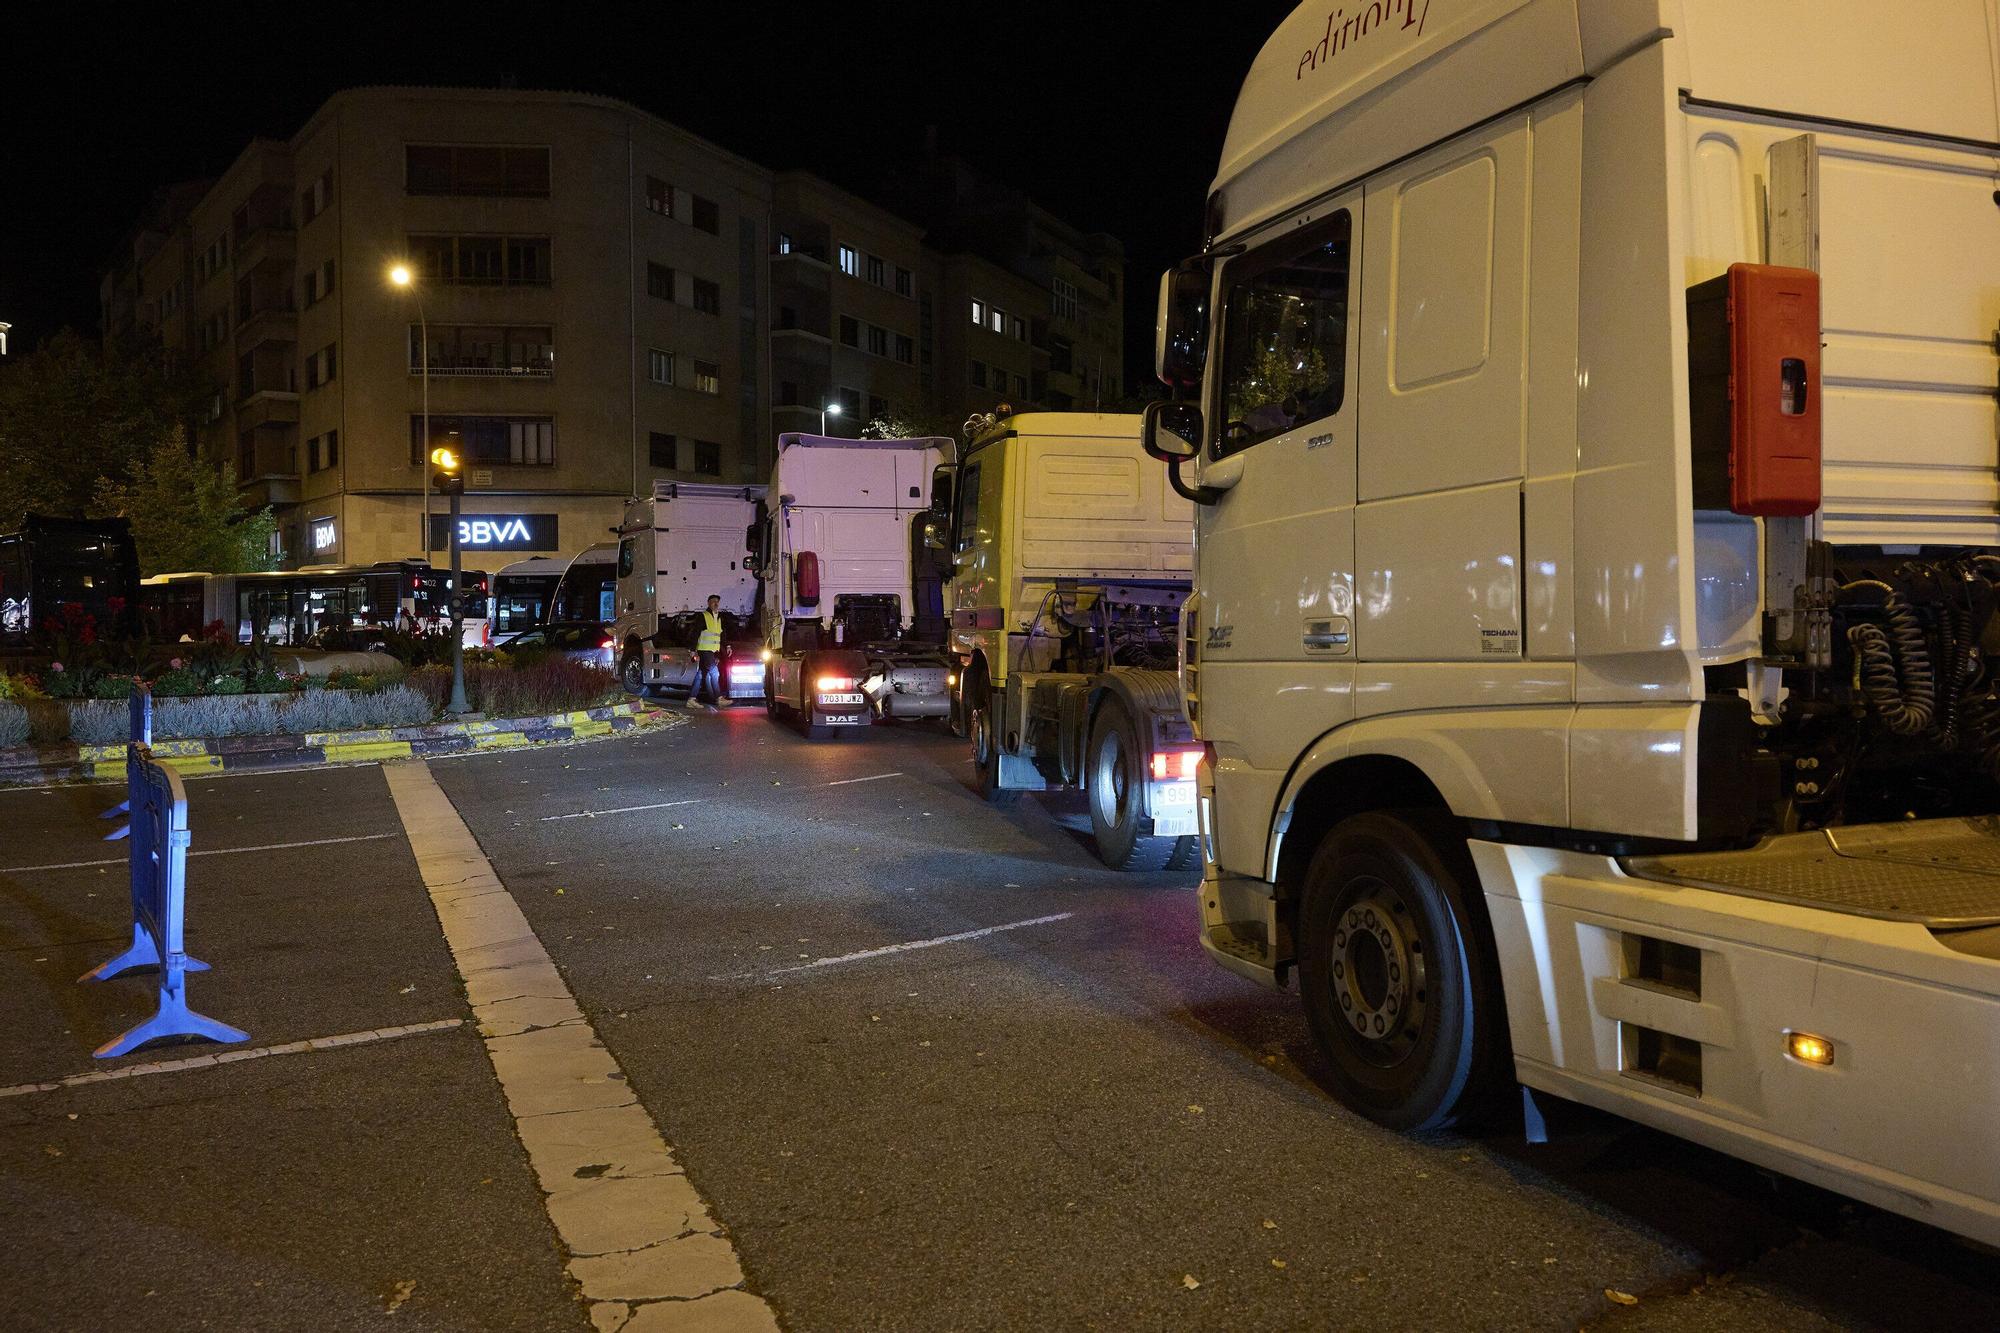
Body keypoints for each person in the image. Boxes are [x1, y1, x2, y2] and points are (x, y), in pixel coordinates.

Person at [692, 594, 724, 709]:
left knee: (700, 674)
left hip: (712, 651)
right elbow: (695, 633)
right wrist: (692, 650)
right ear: (708, 603)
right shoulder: (704, 616)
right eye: (713, 601)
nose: (716, 603)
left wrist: (727, 646)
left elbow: (720, 634)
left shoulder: (718, 617)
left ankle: (691, 699)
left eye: (717, 601)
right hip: (704, 650)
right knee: (715, 673)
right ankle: (719, 698)